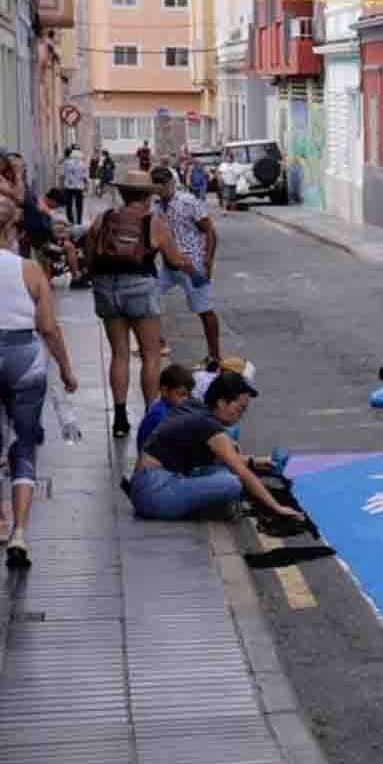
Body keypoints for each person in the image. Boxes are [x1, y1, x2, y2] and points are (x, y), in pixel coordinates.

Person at [129, 369, 305, 528]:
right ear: (221, 403)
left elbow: (220, 458)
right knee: (232, 483)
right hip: (154, 492)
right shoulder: (207, 425)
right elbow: (241, 471)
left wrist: (253, 461)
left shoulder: (194, 407)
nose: (241, 415)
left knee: (224, 466)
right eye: (240, 409)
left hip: (148, 483)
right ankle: (212, 507)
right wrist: (277, 507)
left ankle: (206, 502)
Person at [0, 229, 79, 572]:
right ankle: (19, 532)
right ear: (10, 231)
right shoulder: (30, 269)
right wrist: (66, 369)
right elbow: (47, 327)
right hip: (25, 359)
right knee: (24, 444)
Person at [86, 177, 179, 438]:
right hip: (140, 286)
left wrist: (95, 278)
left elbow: (90, 253)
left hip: (107, 287)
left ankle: (119, 418)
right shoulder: (154, 222)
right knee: (151, 355)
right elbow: (173, 259)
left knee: (120, 354)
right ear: (147, 196)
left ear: (124, 194)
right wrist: (192, 269)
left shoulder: (103, 218)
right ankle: (151, 417)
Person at [150, 162, 222, 365]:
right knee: (147, 298)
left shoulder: (188, 202)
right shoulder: (156, 207)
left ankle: (215, 356)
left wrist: (208, 263)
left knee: (205, 310)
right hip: (168, 267)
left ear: (172, 183)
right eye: (156, 186)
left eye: (164, 184)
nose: (161, 189)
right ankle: (159, 343)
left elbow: (210, 231)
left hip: (192, 266)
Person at [137, 358, 195, 451]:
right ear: (164, 391)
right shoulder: (161, 415)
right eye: (181, 394)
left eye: (188, 395)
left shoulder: (168, 408)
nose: (185, 399)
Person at [55, 144, 85, 227]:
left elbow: (62, 175)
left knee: (69, 204)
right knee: (79, 205)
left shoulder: (66, 162)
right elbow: (84, 176)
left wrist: (61, 186)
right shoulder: (82, 163)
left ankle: (71, 221)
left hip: (69, 186)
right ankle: (79, 221)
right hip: (79, 187)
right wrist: (86, 186)